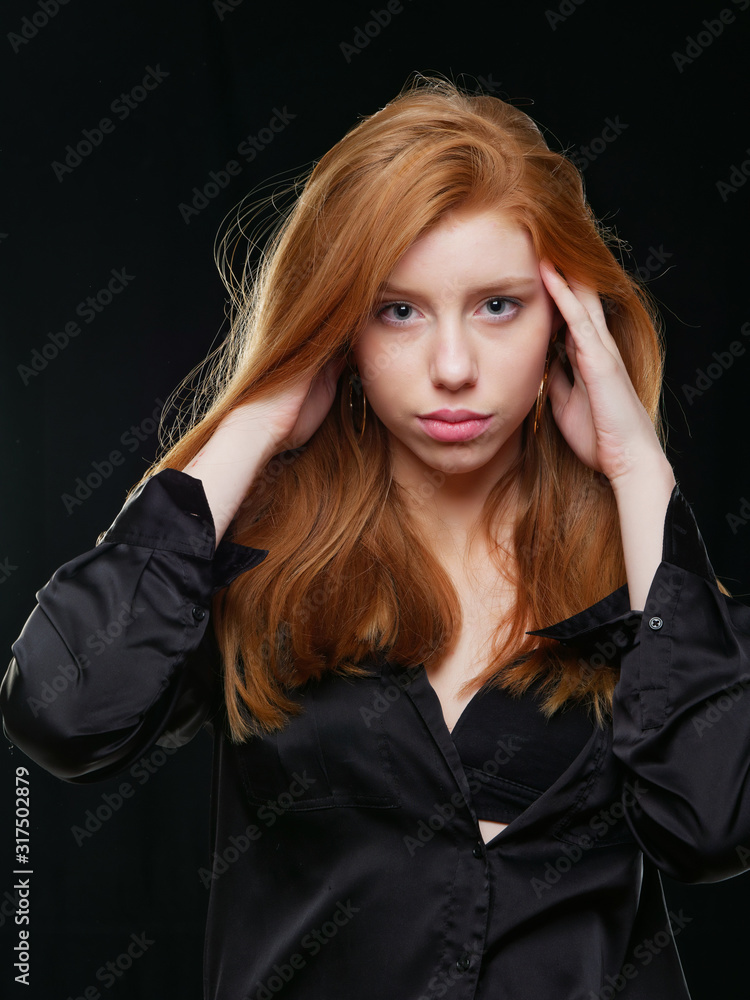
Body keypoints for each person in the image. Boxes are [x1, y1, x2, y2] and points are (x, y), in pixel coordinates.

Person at [2, 72, 750, 1000]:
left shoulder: (641, 575)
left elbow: (713, 830)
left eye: (498, 305)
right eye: (397, 310)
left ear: (567, 323)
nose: (450, 368)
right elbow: (66, 714)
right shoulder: (255, 563)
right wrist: (259, 416)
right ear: (342, 331)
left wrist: (642, 477)